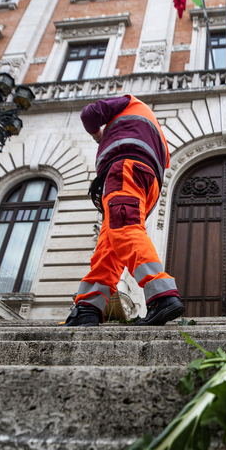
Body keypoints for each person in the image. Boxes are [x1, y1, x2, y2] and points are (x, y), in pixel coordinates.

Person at [65, 94, 185, 327]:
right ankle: (88, 308)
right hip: (146, 182)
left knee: (123, 229)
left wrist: (98, 135)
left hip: (124, 171)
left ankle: (162, 295)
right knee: (110, 244)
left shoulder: (130, 102)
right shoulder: (156, 133)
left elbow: (89, 114)